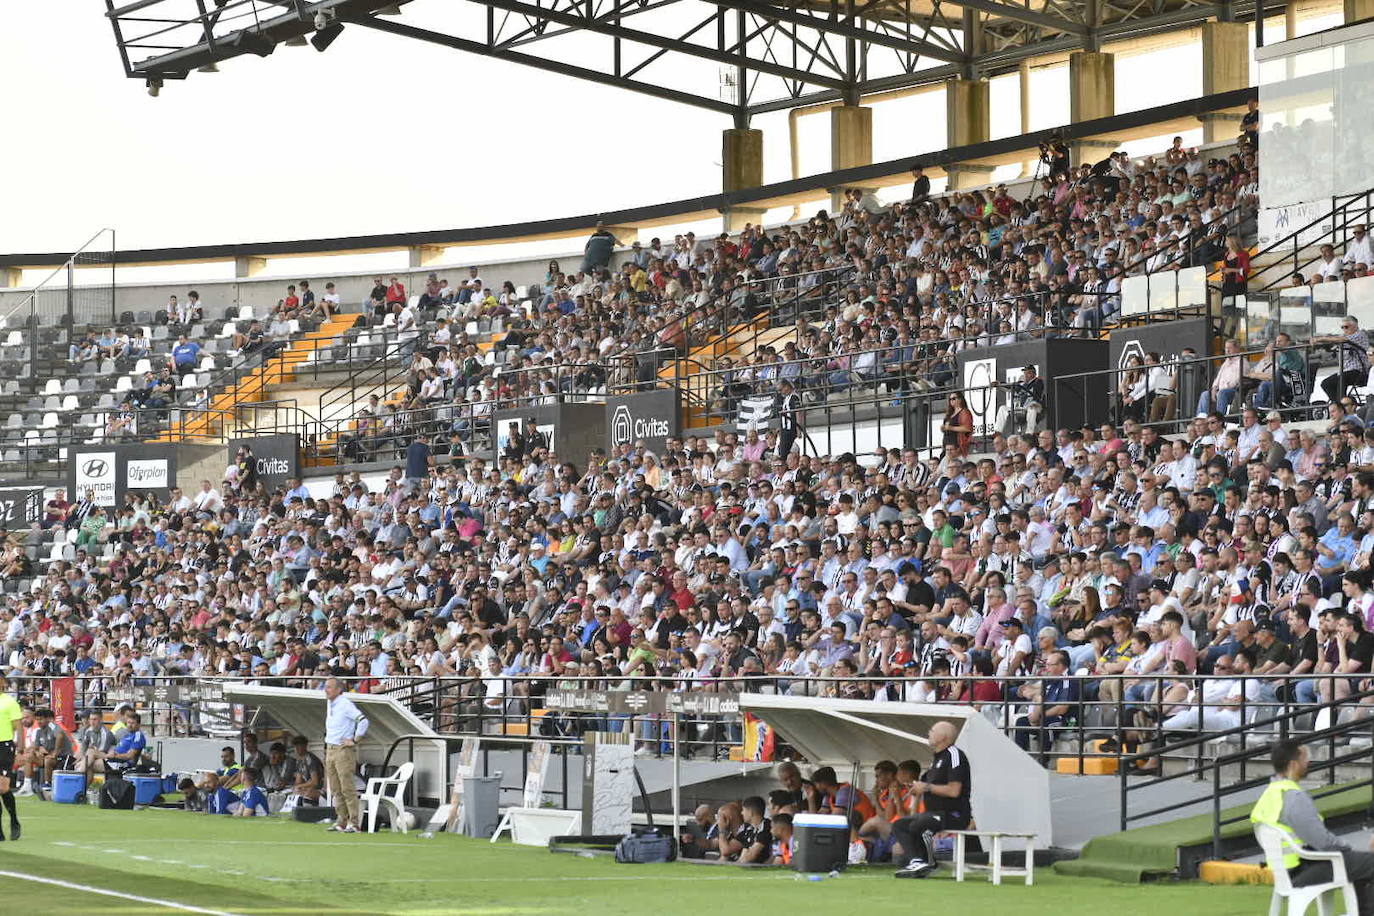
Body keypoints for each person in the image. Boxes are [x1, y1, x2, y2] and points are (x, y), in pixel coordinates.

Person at [1251, 741, 1374, 915]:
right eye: (1305, 759)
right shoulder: (1294, 797)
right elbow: (1322, 842)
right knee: (1368, 862)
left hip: (1285, 871)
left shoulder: (1271, 793)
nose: (1308, 763)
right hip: (1304, 868)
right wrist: (1346, 847)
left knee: (1359, 863)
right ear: (1293, 765)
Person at [892, 720, 971, 878]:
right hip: (934, 813)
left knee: (920, 825)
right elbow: (928, 786)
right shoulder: (936, 759)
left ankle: (929, 863)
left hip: (953, 814)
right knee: (900, 825)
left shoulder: (955, 755)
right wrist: (918, 789)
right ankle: (917, 861)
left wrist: (926, 787)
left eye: (932, 730)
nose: (929, 732)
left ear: (943, 737)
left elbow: (954, 791)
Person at [323, 677, 369, 833]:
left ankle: (354, 822)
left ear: (338, 689)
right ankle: (341, 820)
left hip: (342, 750)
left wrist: (354, 740)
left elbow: (363, 721)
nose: (326, 689)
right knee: (335, 788)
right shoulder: (331, 703)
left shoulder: (345, 704)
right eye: (326, 687)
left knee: (347, 787)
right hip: (330, 748)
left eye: (329, 687)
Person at [0, 675, 23, 840]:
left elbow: (18, 727)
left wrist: (20, 748)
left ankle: (14, 820)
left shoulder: (9, 702)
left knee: (3, 787)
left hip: (5, 746)